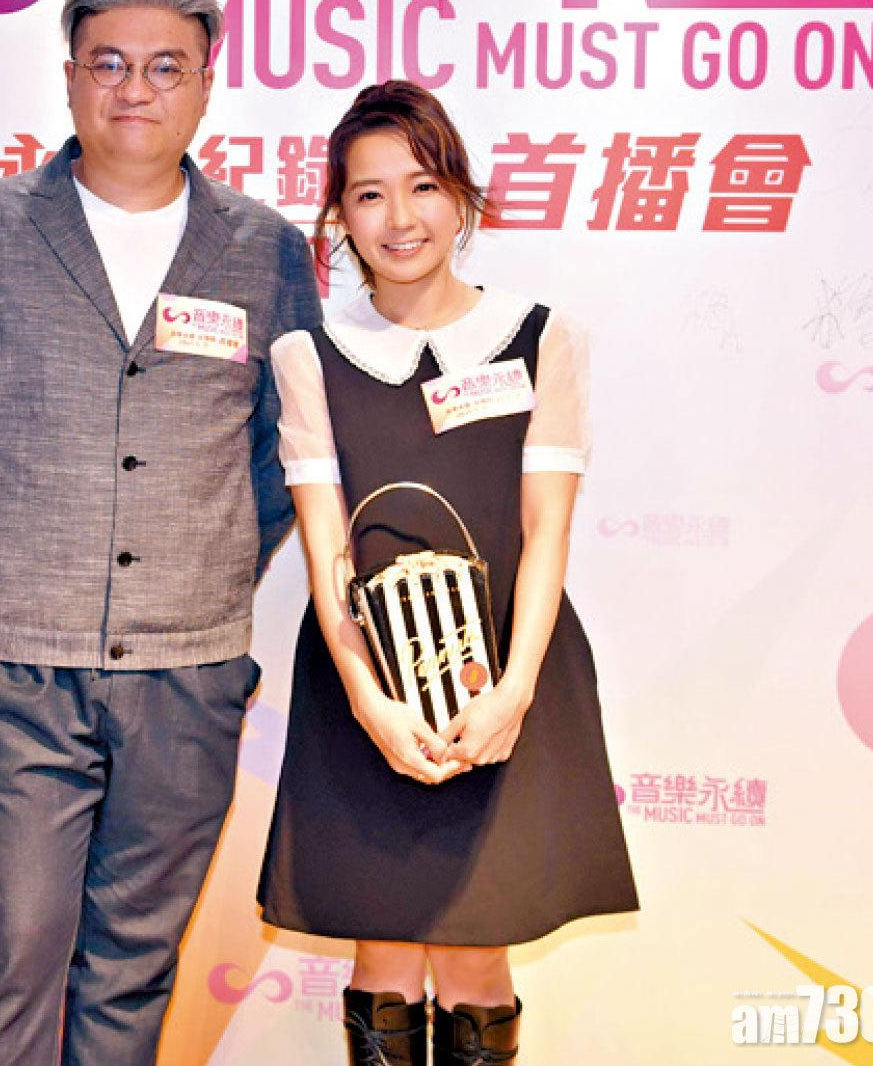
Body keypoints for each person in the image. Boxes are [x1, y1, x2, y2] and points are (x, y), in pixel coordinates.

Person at [0, 0, 322, 1065]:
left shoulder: (263, 248)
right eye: (108, 64)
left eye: (166, 67)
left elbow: (290, 445)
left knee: (134, 958)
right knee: (15, 941)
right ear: (70, 77)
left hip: (188, 668)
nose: (135, 89)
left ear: (205, 85)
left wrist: (208, 558)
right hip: (15, 660)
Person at [256, 81, 639, 1065]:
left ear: (460, 195)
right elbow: (328, 548)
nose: (399, 216)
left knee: (475, 960)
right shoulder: (310, 355)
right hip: (366, 687)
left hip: (507, 678)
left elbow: (545, 528)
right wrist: (369, 703)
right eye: (369, 193)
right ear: (339, 215)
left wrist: (513, 694)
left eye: (421, 185)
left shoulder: (542, 337)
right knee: (381, 957)